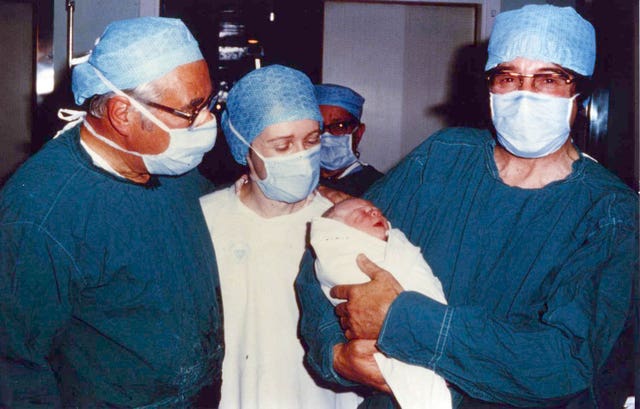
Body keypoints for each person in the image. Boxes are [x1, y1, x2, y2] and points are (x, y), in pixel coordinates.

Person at [295, 5, 638, 409]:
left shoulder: (608, 213)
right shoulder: (443, 159)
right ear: (489, 87)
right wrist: (335, 354)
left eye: (548, 79)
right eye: (508, 77)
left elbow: (561, 363)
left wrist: (401, 320)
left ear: (579, 93)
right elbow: (325, 254)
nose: (524, 95)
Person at [0, 17, 223, 408]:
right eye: (191, 110)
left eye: (208, 102)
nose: (206, 121)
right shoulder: (42, 214)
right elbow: (16, 369)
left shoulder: (170, 166)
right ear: (122, 113)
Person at [199, 65, 361, 409]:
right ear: (244, 149)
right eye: (282, 145)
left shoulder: (343, 222)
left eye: (311, 140)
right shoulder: (206, 222)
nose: (301, 155)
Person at [311, 197, 450, 409]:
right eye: (362, 213)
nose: (375, 213)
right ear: (337, 232)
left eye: (376, 210)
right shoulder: (341, 257)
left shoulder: (395, 245)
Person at [315, 84, 384, 196]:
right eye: (319, 127)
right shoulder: (301, 181)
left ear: (358, 133)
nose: (326, 136)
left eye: (339, 126)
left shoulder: (377, 187)